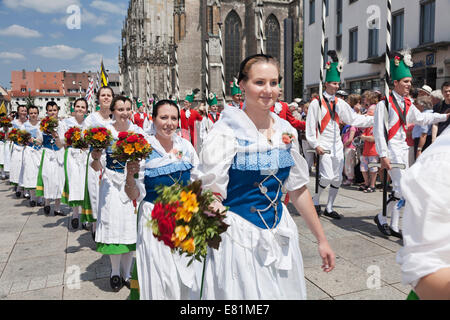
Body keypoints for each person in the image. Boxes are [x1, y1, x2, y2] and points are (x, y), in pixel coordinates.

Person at [197, 54, 335, 300]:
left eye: (273, 83)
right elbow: (210, 191)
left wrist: (321, 239)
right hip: (238, 237)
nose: (268, 90)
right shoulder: (225, 133)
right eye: (259, 82)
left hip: (280, 231)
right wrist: (213, 215)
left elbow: (298, 189)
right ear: (242, 84)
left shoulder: (285, 130)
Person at [125, 99, 202, 300]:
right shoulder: (142, 149)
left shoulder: (185, 146)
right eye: (163, 117)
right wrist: (129, 176)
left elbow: (198, 181)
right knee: (162, 275)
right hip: (154, 219)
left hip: (184, 219)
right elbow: (133, 195)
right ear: (153, 119)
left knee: (186, 273)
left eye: (174, 118)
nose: (169, 123)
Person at [372, 50, 450, 238]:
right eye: (405, 82)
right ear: (396, 83)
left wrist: (445, 116)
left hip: (403, 149)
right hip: (391, 150)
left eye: (409, 82)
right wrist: (383, 155)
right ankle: (381, 217)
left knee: (403, 189)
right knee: (402, 188)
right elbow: (378, 131)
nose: (409, 85)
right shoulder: (385, 104)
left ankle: (393, 225)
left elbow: (422, 118)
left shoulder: (408, 103)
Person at [306, 50, 373, 219]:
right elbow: (310, 126)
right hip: (324, 144)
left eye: (338, 84)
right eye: (333, 83)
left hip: (337, 144)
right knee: (327, 176)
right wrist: (315, 144)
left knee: (336, 178)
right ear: (326, 83)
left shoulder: (340, 103)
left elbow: (353, 119)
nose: (336, 86)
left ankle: (329, 207)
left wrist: (374, 120)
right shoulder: (316, 103)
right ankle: (315, 200)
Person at [90, 96, 142, 292]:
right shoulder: (106, 132)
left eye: (128, 108)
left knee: (129, 227)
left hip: (131, 184)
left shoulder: (137, 131)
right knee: (113, 226)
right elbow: (96, 167)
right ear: (112, 110)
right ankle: (114, 272)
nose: (125, 112)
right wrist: (95, 156)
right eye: (120, 109)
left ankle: (127, 273)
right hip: (111, 185)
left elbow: (143, 161)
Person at [396, 125, 450, 300]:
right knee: (398, 192)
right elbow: (427, 275)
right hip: (396, 149)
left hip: (403, 148)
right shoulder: (442, 161)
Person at [81, 86, 114, 235]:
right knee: (95, 191)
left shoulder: (116, 117)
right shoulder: (91, 119)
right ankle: (95, 226)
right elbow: (84, 138)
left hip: (114, 160)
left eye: (109, 95)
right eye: (103, 95)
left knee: (111, 193)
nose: (106, 98)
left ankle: (110, 224)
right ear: (98, 98)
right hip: (96, 159)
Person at [61, 98, 88, 230]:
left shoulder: (88, 123)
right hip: (72, 156)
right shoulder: (66, 123)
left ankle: (84, 215)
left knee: (84, 185)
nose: (80, 109)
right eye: (78, 106)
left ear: (86, 110)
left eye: (83, 107)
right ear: (73, 108)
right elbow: (62, 142)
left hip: (84, 156)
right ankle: (75, 215)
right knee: (74, 184)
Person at [35, 101, 66, 216]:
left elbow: (63, 142)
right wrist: (31, 141)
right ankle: (47, 202)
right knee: (47, 178)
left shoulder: (62, 124)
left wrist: (57, 137)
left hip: (59, 154)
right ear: (47, 112)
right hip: (48, 154)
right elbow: (39, 140)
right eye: (50, 110)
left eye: (54, 110)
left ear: (58, 111)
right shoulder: (42, 125)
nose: (52, 112)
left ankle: (57, 208)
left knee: (59, 180)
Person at [21, 105, 44, 207]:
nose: (33, 115)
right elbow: (20, 139)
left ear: (38, 113)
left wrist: (35, 140)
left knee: (40, 174)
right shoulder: (24, 126)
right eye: (31, 113)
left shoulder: (42, 125)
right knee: (30, 174)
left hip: (40, 152)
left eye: (35, 113)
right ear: (28, 114)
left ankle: (40, 198)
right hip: (29, 152)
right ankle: (32, 197)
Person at [341, 94, 362, 186]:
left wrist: (345, 144)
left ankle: (350, 178)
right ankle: (349, 177)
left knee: (349, 163)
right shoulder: (348, 123)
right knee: (347, 162)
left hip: (350, 146)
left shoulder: (353, 123)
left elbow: (350, 137)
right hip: (347, 145)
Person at [359, 104, 379, 193]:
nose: (368, 114)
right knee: (363, 168)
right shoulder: (368, 124)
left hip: (373, 151)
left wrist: (364, 137)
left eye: (370, 113)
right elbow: (359, 126)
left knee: (373, 169)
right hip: (366, 150)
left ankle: (372, 185)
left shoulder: (376, 125)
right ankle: (367, 183)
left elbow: (374, 139)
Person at [9, 105, 28, 198]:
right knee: (17, 168)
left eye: (25, 110)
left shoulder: (29, 123)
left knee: (26, 168)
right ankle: (18, 187)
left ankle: (25, 189)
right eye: (22, 110)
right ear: (18, 112)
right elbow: (9, 136)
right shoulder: (13, 123)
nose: (24, 112)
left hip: (27, 148)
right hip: (17, 148)